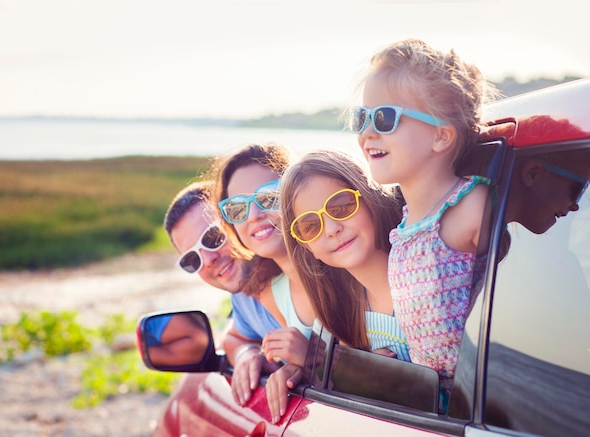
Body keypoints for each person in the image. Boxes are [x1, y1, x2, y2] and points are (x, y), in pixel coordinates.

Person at [350, 39, 499, 411]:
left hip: (481, 406)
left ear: (440, 136)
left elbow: (519, 294)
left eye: (383, 118)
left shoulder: (468, 208)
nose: (367, 133)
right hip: (435, 408)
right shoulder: (405, 225)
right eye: (360, 118)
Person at [265, 148, 408, 422]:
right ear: (305, 246)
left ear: (368, 196)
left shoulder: (419, 279)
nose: (331, 229)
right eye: (309, 226)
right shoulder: (346, 314)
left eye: (341, 207)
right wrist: (301, 372)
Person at [210, 142, 315, 407]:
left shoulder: (340, 269)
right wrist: (300, 370)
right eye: (236, 208)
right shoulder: (269, 291)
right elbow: (234, 337)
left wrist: (313, 360)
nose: (254, 215)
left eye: (269, 197)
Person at [164, 180, 281, 346]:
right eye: (192, 259)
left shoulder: (299, 274)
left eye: (213, 238)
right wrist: (246, 354)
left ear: (237, 218)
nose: (208, 260)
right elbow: (233, 337)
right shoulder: (243, 298)